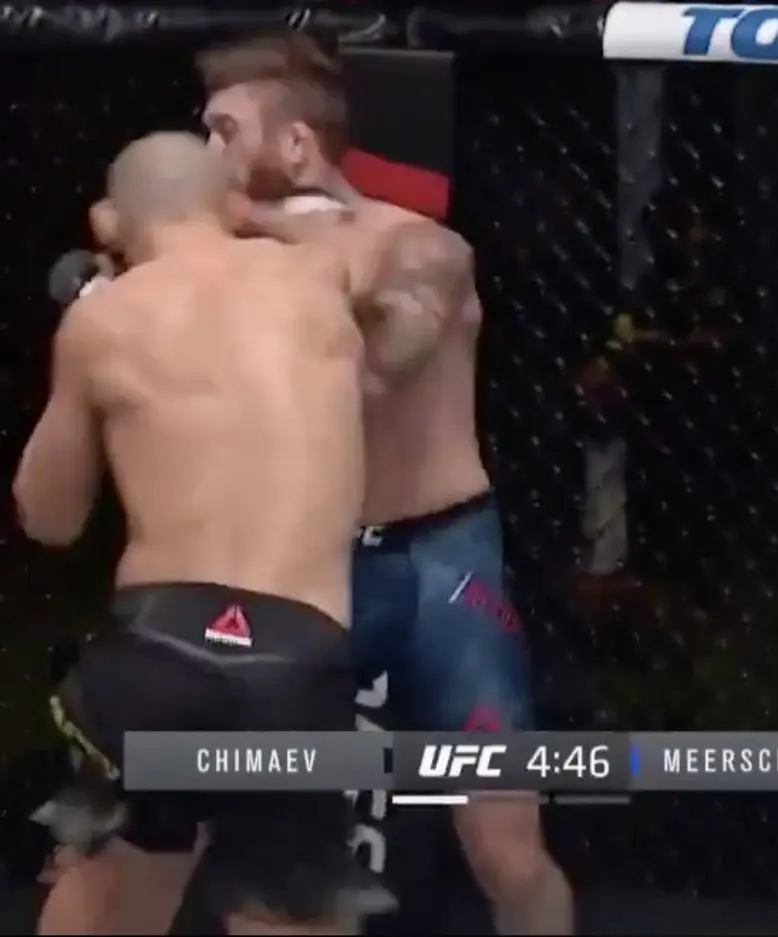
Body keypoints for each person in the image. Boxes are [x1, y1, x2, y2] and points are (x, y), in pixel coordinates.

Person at [196, 32, 573, 935]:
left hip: (444, 564)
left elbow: (391, 355)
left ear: (297, 144)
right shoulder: (230, 261)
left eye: (224, 131)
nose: (206, 153)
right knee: (238, 829)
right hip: (310, 561)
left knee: (505, 847)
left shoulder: (421, 246)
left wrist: (277, 238)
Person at [14, 131, 381, 936]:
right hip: (293, 651)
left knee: (116, 879)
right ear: (229, 204)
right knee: (291, 911)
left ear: (106, 220)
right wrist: (261, 213)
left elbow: (49, 517)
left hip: (157, 644)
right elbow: (378, 243)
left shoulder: (102, 323)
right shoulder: (318, 273)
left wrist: (83, 330)